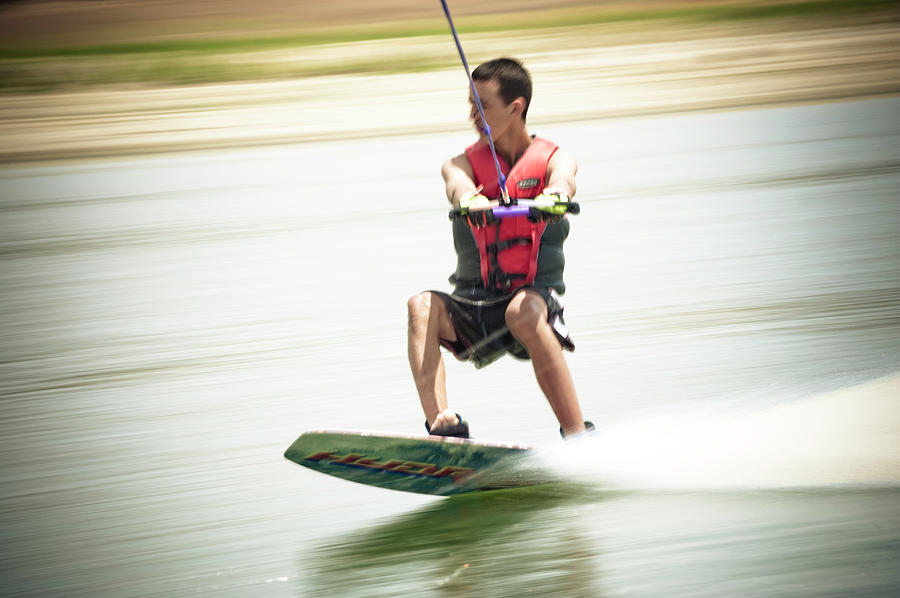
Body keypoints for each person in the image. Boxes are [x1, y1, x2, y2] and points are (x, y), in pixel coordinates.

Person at [407, 57, 591, 439]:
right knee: (420, 306)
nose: (474, 114)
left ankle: (576, 434)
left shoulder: (556, 158)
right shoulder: (461, 164)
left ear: (516, 107)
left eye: (483, 104)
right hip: (476, 307)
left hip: (531, 304)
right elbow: (456, 183)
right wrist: (469, 200)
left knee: (522, 311)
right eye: (471, 104)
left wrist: (554, 195)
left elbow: (564, 179)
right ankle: (443, 426)